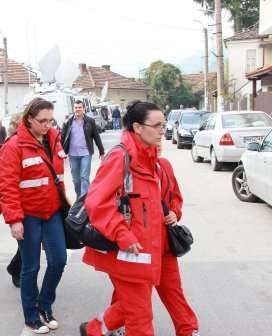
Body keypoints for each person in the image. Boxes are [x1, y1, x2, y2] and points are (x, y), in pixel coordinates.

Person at [79, 100, 168, 336]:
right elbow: (97, 202)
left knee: (132, 306)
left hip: (141, 250)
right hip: (126, 250)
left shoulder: (148, 157)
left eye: (164, 124)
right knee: (140, 315)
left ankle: (93, 330)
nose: (163, 130)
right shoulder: (121, 157)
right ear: (138, 127)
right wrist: (122, 234)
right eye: (157, 125)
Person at [108, 140, 200, 336]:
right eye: (153, 142)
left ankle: (188, 330)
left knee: (174, 291)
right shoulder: (127, 165)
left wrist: (175, 212)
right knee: (132, 298)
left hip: (165, 243)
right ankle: (109, 327)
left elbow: (175, 195)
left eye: (160, 141)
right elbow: (109, 204)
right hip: (138, 246)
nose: (157, 145)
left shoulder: (164, 165)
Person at [0, 98, 68, 334]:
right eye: (42, 121)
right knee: (30, 267)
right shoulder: (14, 145)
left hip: (52, 211)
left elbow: (56, 176)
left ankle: (44, 305)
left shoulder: (54, 139)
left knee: (58, 261)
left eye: (50, 120)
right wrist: (14, 220)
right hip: (27, 214)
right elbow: (7, 185)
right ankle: (31, 316)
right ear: (29, 119)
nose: (47, 124)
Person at [0, 113, 22, 288]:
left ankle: (16, 268)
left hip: (35, 204)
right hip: (14, 204)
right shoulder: (8, 148)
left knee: (31, 244)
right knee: (27, 244)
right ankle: (17, 270)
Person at [60, 100, 105, 199]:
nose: (77, 109)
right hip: (72, 154)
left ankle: (84, 200)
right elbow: (62, 137)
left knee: (84, 177)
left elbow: (96, 137)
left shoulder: (90, 121)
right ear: (73, 109)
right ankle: (79, 196)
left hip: (85, 153)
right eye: (76, 107)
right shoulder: (68, 122)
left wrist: (101, 151)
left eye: (80, 107)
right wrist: (60, 151)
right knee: (76, 179)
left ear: (83, 108)